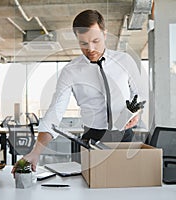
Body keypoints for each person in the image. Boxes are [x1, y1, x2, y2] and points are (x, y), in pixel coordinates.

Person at [12, 9, 145, 172]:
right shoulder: (71, 71)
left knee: (127, 187)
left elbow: (140, 94)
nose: (90, 49)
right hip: (91, 139)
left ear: (105, 34)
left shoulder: (124, 61)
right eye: (83, 43)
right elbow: (55, 112)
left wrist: (137, 113)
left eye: (95, 41)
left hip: (124, 136)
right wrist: (35, 152)